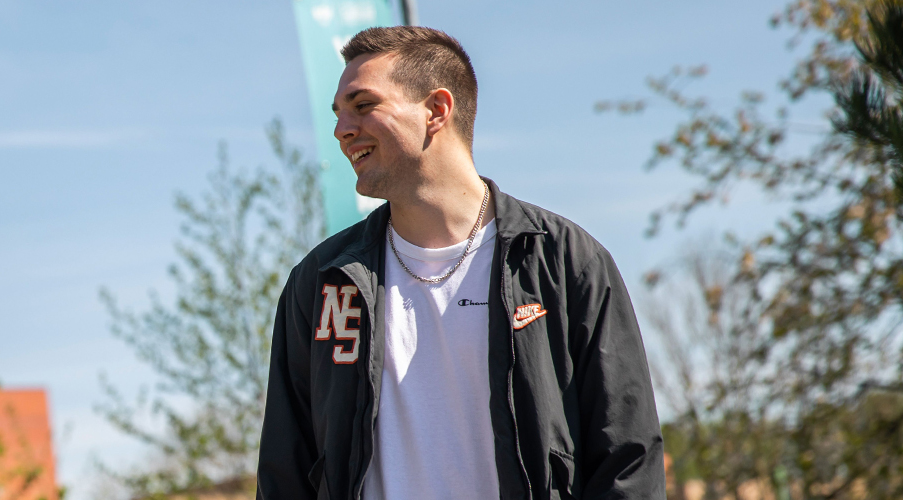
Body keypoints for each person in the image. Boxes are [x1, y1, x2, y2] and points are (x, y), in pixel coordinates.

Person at [256, 26, 663, 499]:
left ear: (436, 110)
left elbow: (627, 460)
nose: (342, 130)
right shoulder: (322, 281)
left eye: (363, 106)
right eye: (340, 114)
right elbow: (286, 471)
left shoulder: (564, 260)